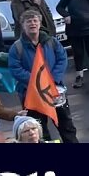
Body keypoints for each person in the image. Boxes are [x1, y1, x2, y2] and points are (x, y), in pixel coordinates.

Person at [10, 9, 76, 143]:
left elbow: (62, 59)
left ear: (40, 23)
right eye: (28, 21)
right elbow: (15, 69)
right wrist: (37, 82)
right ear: (23, 25)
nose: (32, 24)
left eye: (35, 21)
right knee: (38, 130)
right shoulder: (16, 48)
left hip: (55, 91)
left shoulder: (52, 41)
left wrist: (52, 79)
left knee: (66, 126)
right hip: (31, 95)